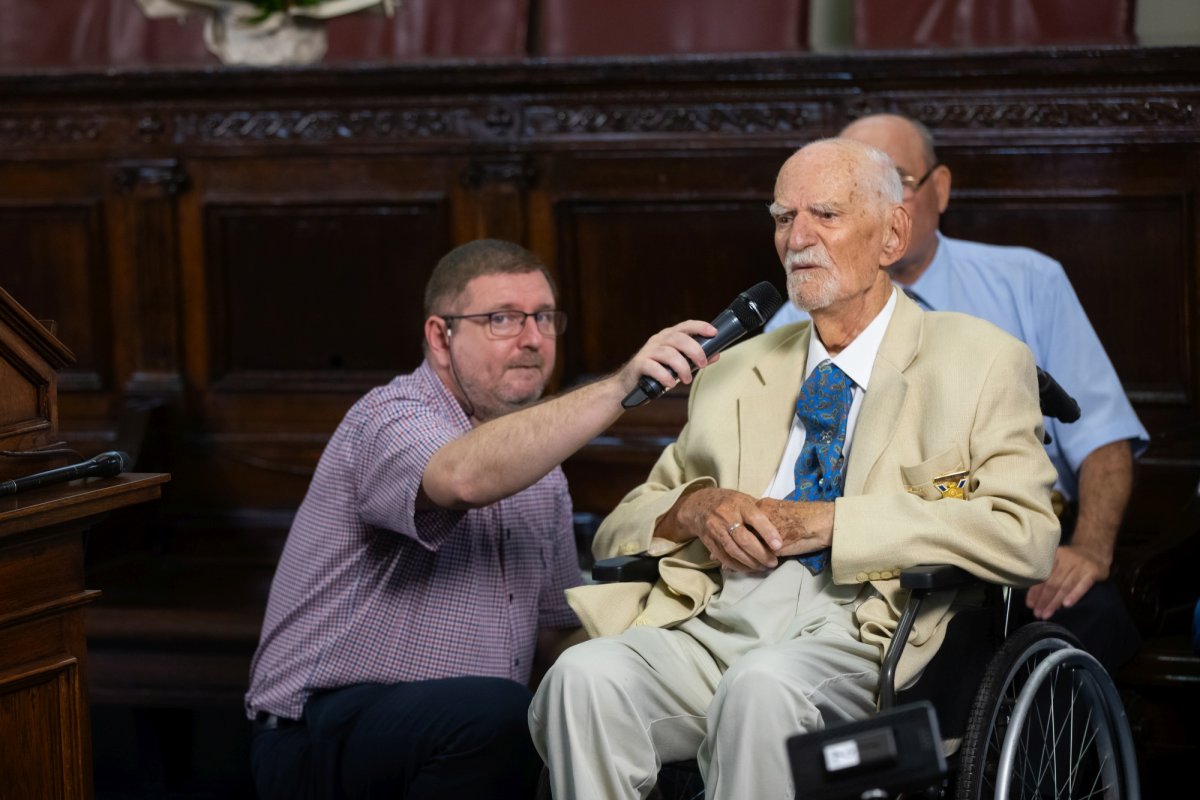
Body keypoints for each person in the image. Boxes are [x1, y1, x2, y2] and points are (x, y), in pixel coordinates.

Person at [529, 138, 1060, 799]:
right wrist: (694, 508)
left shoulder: (978, 360)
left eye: (826, 215)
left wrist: (836, 523)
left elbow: (1027, 534)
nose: (797, 239)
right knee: (581, 679)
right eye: (783, 218)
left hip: (871, 631)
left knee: (760, 691)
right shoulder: (734, 373)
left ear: (892, 233)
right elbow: (621, 529)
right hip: (719, 613)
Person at [245, 238, 720, 800]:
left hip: (463, 739)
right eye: (502, 319)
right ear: (439, 338)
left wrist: (675, 638)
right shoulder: (388, 417)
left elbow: (552, 638)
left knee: (569, 709)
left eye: (544, 318)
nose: (532, 340)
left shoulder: (542, 472)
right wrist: (621, 386)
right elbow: (460, 478)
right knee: (498, 715)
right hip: (318, 731)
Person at [766, 114, 1149, 671]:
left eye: (896, 182)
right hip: (872, 556)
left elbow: (1103, 437)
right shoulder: (797, 316)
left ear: (938, 189)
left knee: (1081, 632)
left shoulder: (1026, 281)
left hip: (1014, 535)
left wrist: (1089, 549)